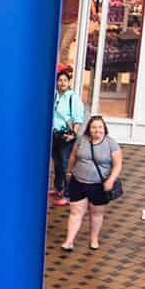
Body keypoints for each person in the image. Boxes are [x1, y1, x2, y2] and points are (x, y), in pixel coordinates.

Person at [61, 115, 123, 252]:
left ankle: (94, 239)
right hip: (78, 181)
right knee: (75, 212)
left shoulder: (111, 144)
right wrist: (69, 172)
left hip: (98, 185)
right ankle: (69, 241)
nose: (97, 130)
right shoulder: (82, 140)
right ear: (89, 129)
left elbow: (118, 165)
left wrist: (111, 180)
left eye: (100, 127)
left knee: (96, 213)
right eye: (94, 127)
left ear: (104, 129)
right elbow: (73, 157)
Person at [51, 65, 86, 203]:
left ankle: (67, 194)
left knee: (65, 165)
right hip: (54, 135)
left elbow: (78, 119)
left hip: (66, 136)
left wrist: (73, 134)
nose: (62, 83)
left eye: (65, 80)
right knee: (57, 163)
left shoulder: (73, 98)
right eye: (60, 80)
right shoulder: (54, 95)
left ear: (69, 82)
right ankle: (58, 188)